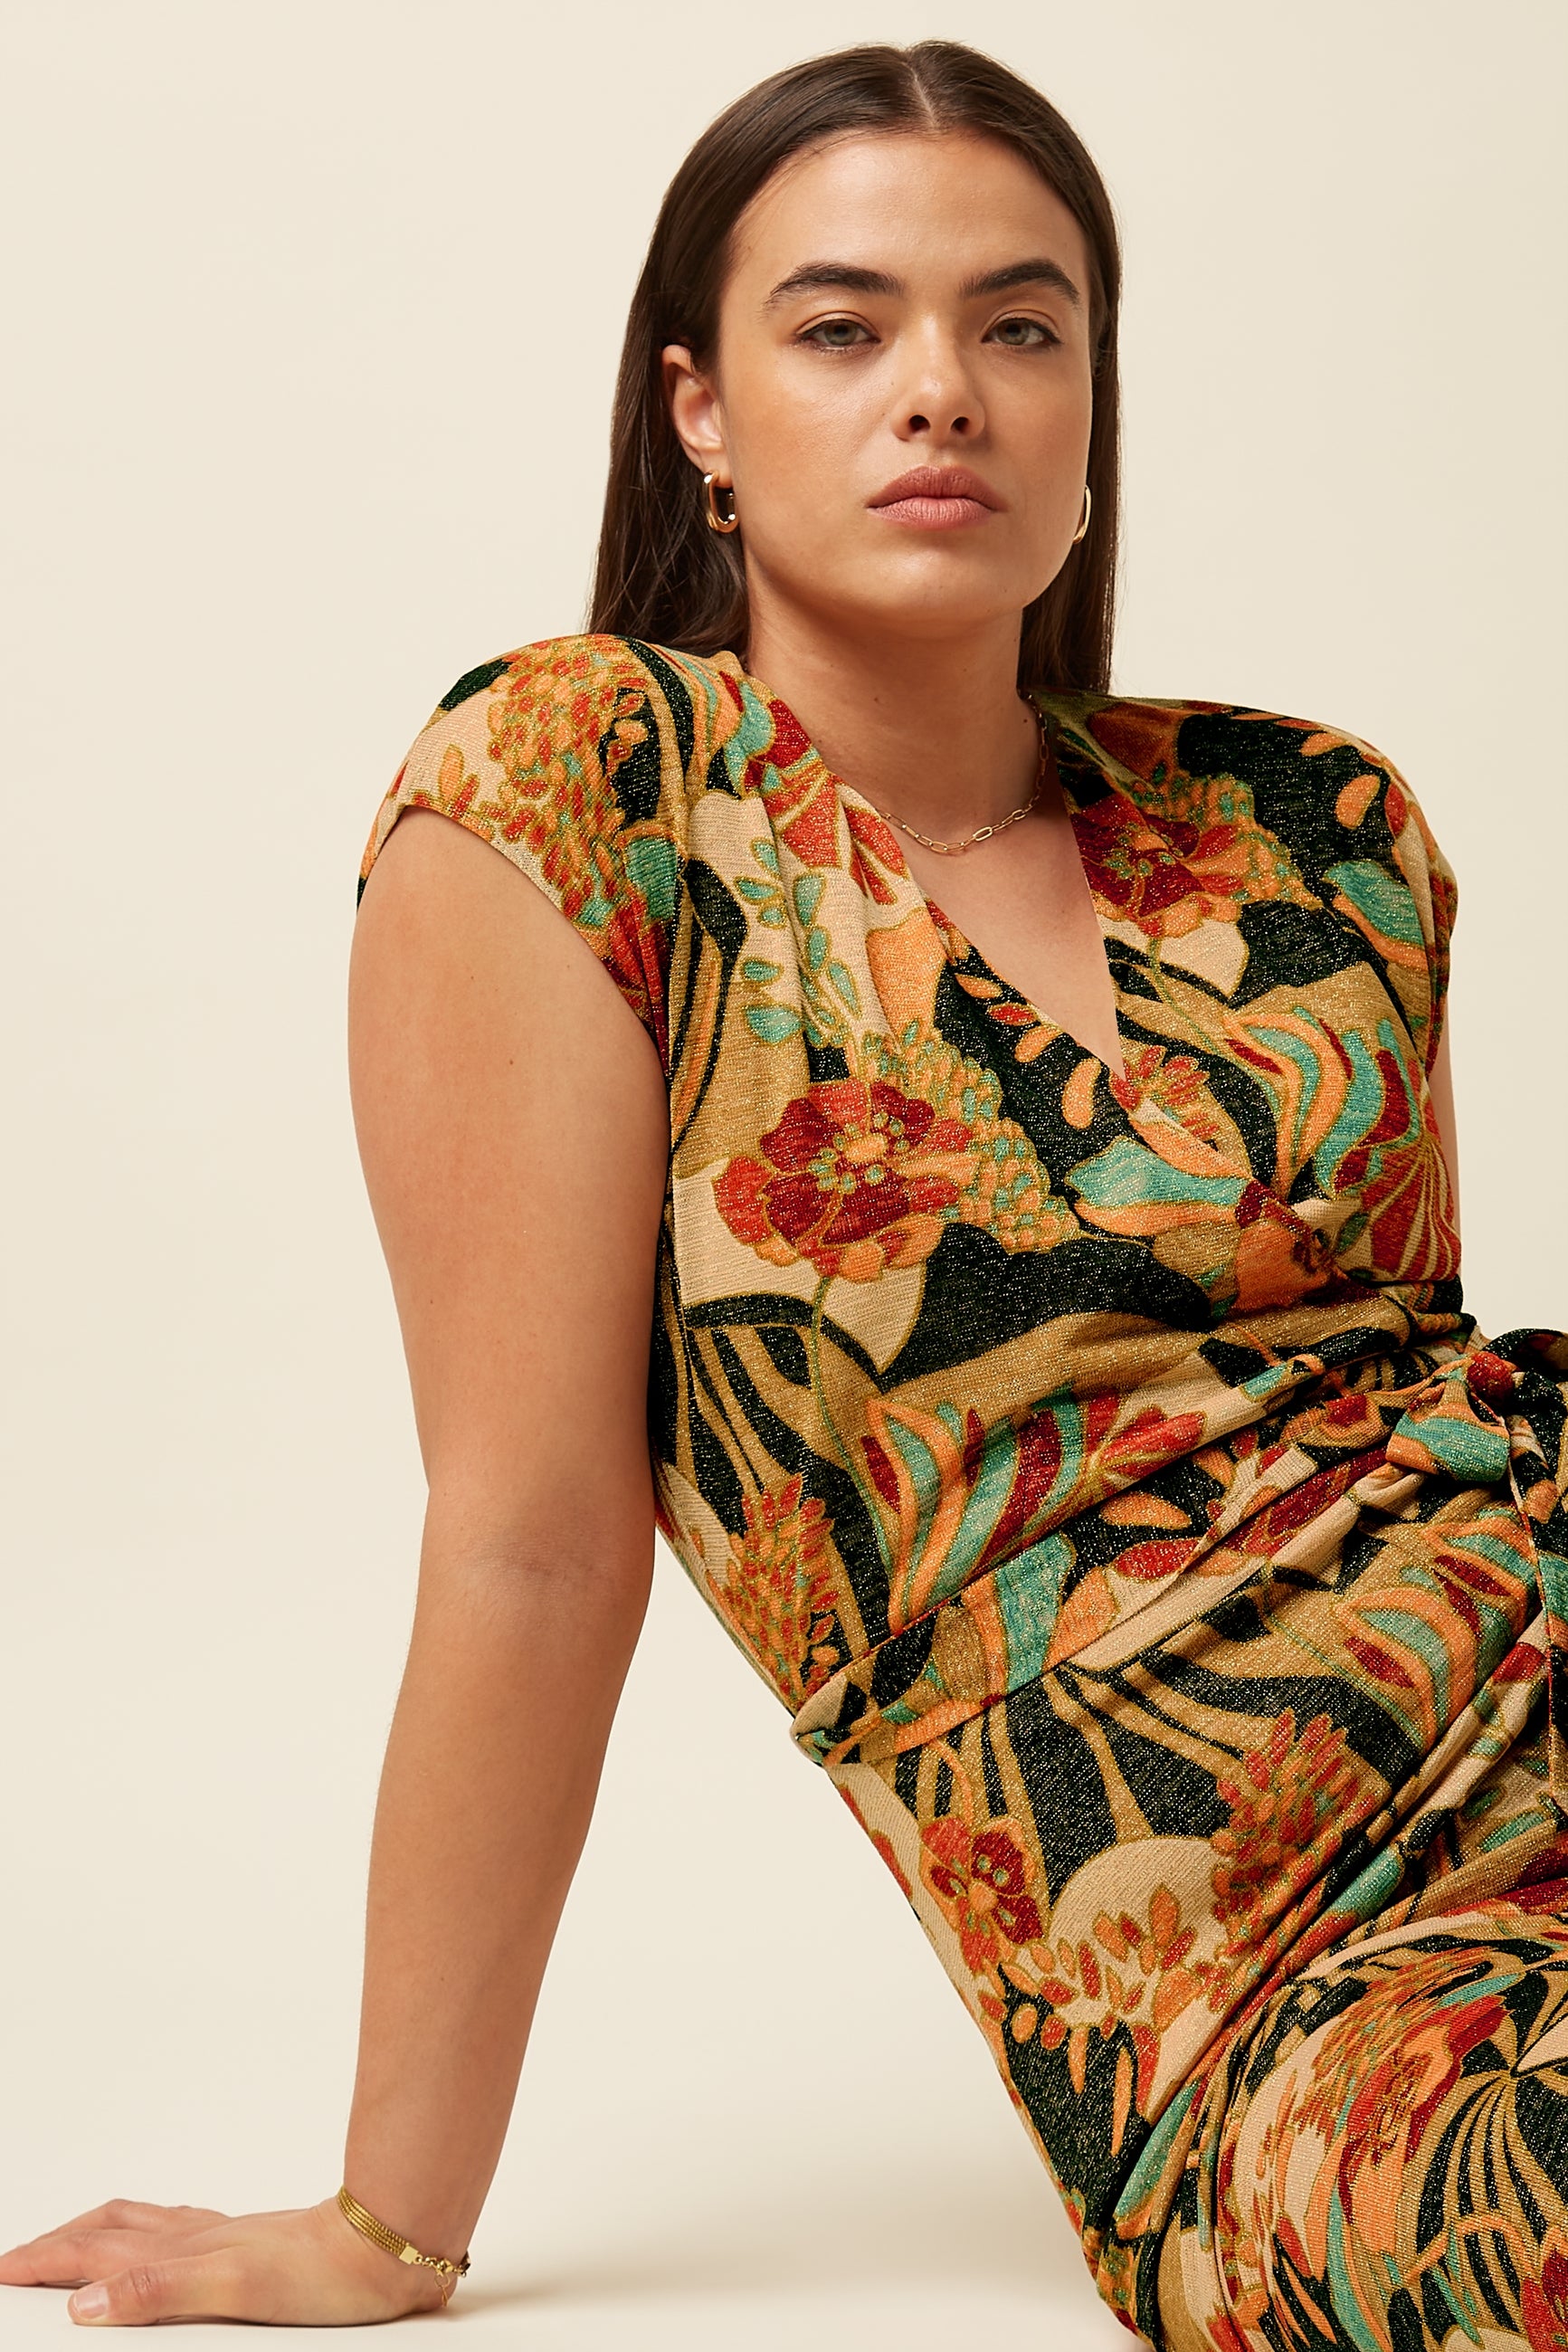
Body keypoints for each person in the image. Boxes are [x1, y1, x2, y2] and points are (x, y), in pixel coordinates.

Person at [5, 36, 1567, 2347]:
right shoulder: (586, 796)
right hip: (1285, 1980)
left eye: (1022, 327)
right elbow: (533, 1540)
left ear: (1092, 405)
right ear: (700, 414)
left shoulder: (1318, 821)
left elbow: (1403, 1421)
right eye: (843, 328)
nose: (943, 389)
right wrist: (387, 2222)